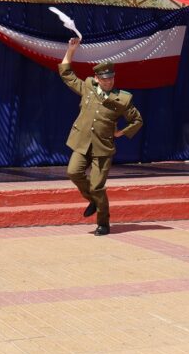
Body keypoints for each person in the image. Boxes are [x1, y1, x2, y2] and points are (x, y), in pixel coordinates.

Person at [59, 37, 143, 236]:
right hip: (82, 143)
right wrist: (71, 50)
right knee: (73, 172)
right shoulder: (87, 87)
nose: (108, 82)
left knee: (97, 186)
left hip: (102, 147)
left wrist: (121, 132)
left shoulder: (122, 98)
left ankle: (103, 223)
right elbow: (66, 73)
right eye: (104, 79)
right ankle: (93, 201)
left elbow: (137, 120)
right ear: (96, 78)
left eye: (111, 78)